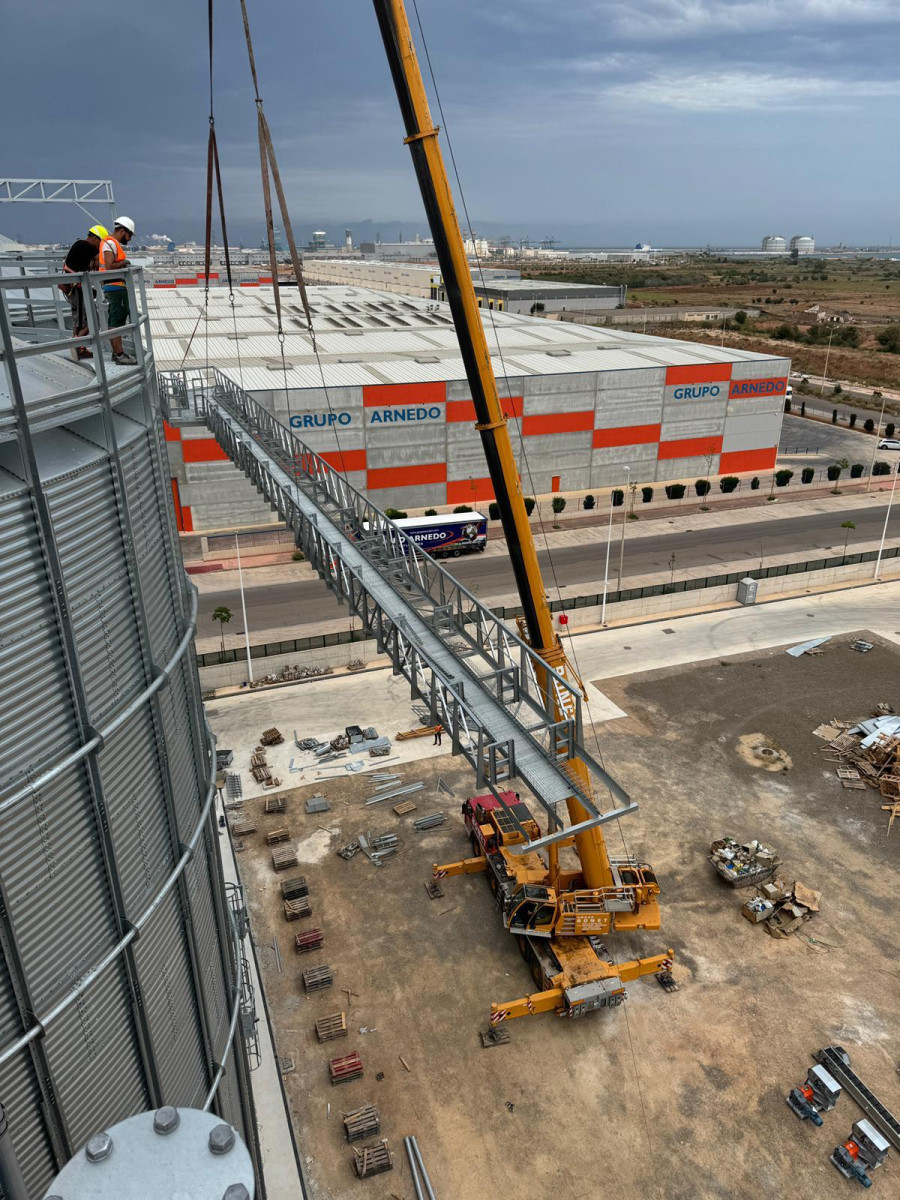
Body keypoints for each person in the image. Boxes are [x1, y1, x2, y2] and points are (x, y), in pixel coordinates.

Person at [60, 224, 107, 360]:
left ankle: (79, 346)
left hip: (75, 288)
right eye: (100, 242)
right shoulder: (85, 246)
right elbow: (97, 260)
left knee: (79, 320)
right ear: (95, 238)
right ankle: (76, 344)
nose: (99, 246)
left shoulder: (79, 245)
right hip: (78, 288)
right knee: (91, 320)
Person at [98, 216, 137, 365]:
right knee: (117, 320)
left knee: (115, 319)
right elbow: (109, 266)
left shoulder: (110, 243)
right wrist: (124, 263)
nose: (130, 239)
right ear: (122, 230)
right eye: (129, 235)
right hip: (114, 286)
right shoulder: (109, 243)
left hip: (113, 286)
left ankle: (117, 353)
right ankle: (120, 354)